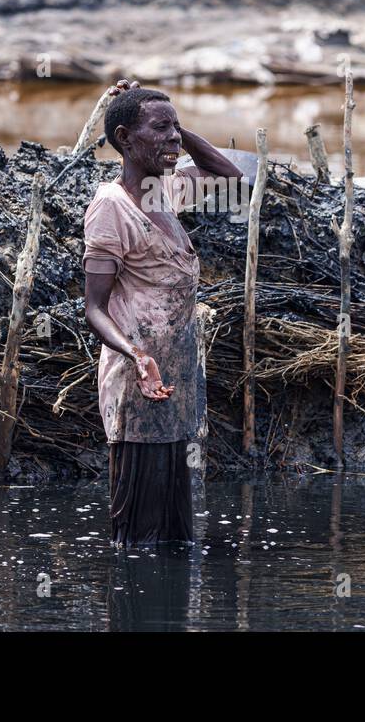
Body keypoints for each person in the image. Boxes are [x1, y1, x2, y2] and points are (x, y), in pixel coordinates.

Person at [82, 81, 244, 548]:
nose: (173, 137)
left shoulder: (162, 192)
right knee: (138, 532)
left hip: (175, 375)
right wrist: (136, 355)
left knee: (175, 531)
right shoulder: (111, 207)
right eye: (160, 129)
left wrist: (175, 133)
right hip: (138, 379)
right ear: (125, 138)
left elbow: (231, 177)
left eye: (177, 127)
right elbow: (93, 307)